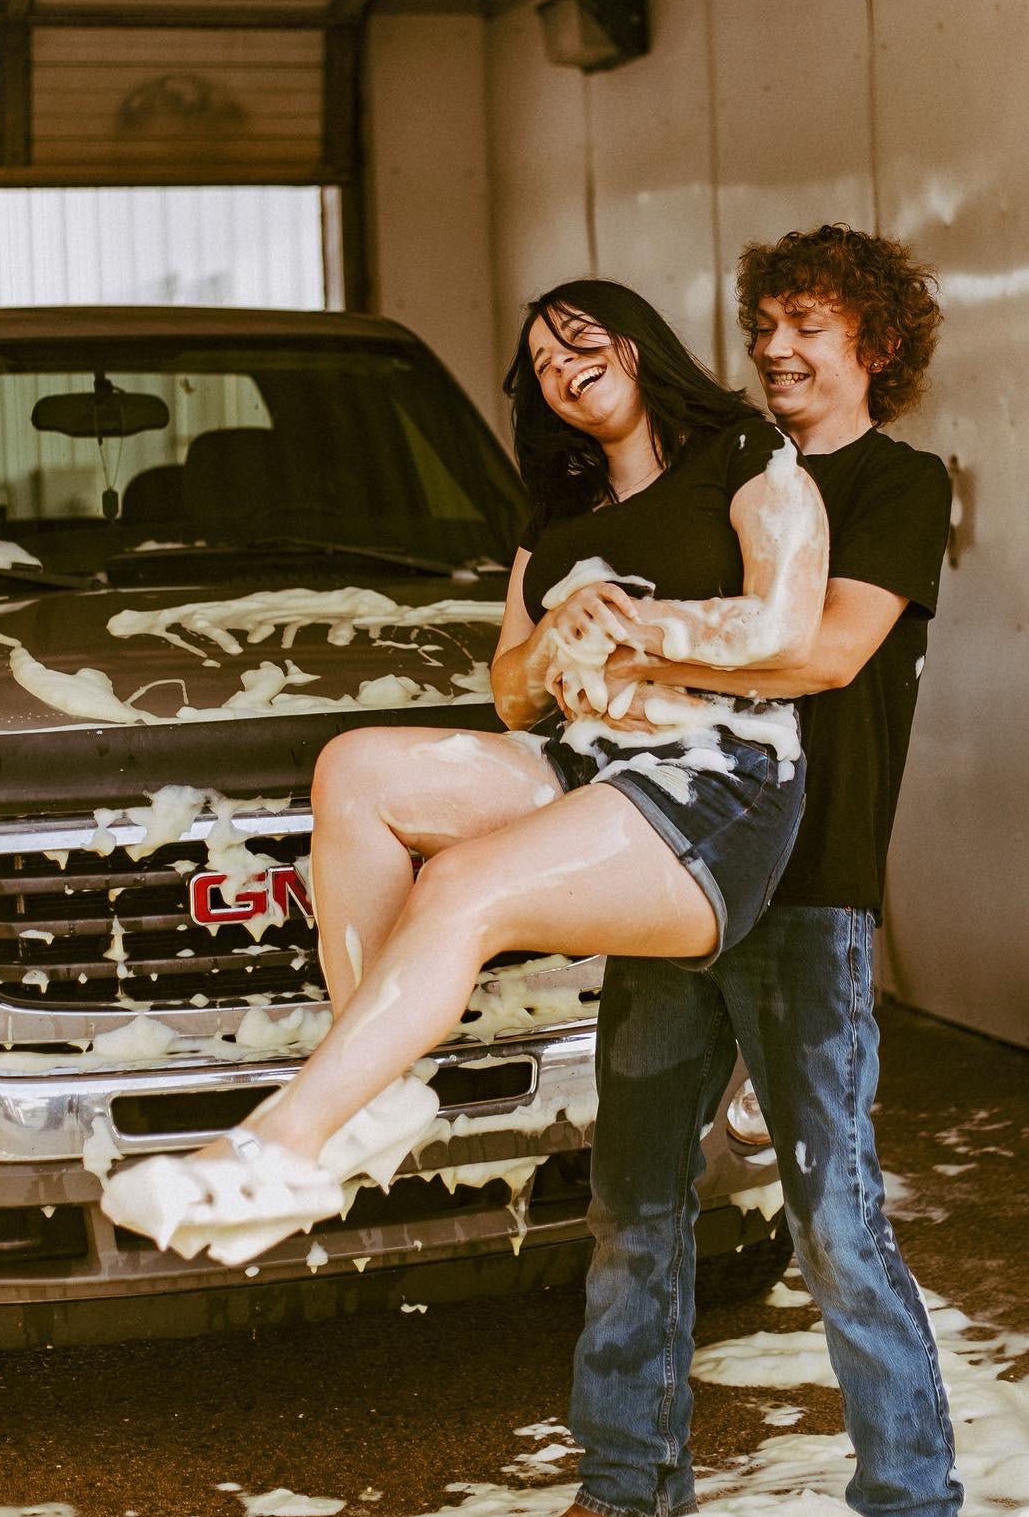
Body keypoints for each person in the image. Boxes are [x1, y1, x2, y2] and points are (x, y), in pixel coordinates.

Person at [100, 278, 830, 1272]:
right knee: (356, 768)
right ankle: (380, 1090)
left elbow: (786, 627)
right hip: (585, 757)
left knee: (460, 885)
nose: (564, 369)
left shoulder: (743, 455)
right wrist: (558, 637)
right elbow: (512, 692)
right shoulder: (558, 508)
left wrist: (628, 627)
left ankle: (283, 1143)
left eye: (581, 341)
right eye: (544, 365)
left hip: (716, 776)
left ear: (638, 342)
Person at [489, 224, 963, 1517]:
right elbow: (539, 662)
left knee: (833, 1211)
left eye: (808, 325)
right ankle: (622, 1483)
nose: (776, 348)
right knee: (634, 1199)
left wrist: (634, 643)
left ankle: (911, 1516)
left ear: (876, 343)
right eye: (764, 326)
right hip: (668, 872)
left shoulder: (895, 483)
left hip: (808, 889)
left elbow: (824, 650)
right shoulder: (713, 471)